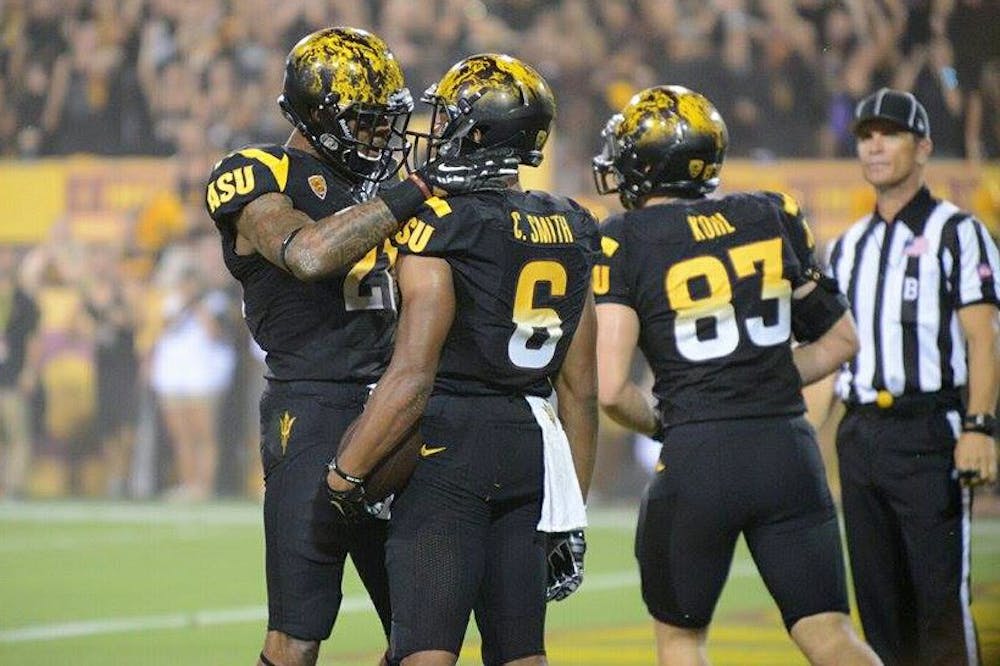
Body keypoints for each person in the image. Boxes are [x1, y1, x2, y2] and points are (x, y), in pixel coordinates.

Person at [204, 27, 518, 666]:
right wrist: (418, 190)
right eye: (369, 122)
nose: (383, 136)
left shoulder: (382, 187)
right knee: (297, 635)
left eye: (389, 121)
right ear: (319, 115)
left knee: (421, 634)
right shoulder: (261, 172)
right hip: (313, 412)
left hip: (400, 410)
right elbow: (310, 253)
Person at [591, 85, 882, 666]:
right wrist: (763, 378)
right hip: (788, 450)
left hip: (699, 452)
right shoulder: (768, 213)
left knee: (681, 641)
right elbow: (842, 340)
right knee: (829, 633)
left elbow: (614, 392)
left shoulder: (625, 238)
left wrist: (666, 422)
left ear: (647, 164)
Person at [328, 53, 600, 666]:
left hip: (449, 447)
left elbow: (412, 374)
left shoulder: (442, 222)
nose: (435, 127)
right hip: (532, 444)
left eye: (448, 117)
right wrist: (570, 509)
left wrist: (346, 471)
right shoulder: (575, 224)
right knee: (521, 655)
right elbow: (581, 391)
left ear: (476, 133)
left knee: (425, 651)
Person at [825, 87, 999, 666]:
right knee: (877, 606)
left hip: (928, 430)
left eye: (889, 134)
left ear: (922, 147)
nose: (875, 147)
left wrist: (978, 425)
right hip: (861, 434)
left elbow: (984, 336)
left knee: (939, 603)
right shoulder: (848, 247)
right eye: (866, 136)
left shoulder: (958, 231)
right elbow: (833, 354)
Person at [0, 246, 40, 499]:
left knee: (16, 434)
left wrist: (29, 371)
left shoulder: (24, 301)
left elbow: (33, 340)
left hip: (12, 375)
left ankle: (14, 486)